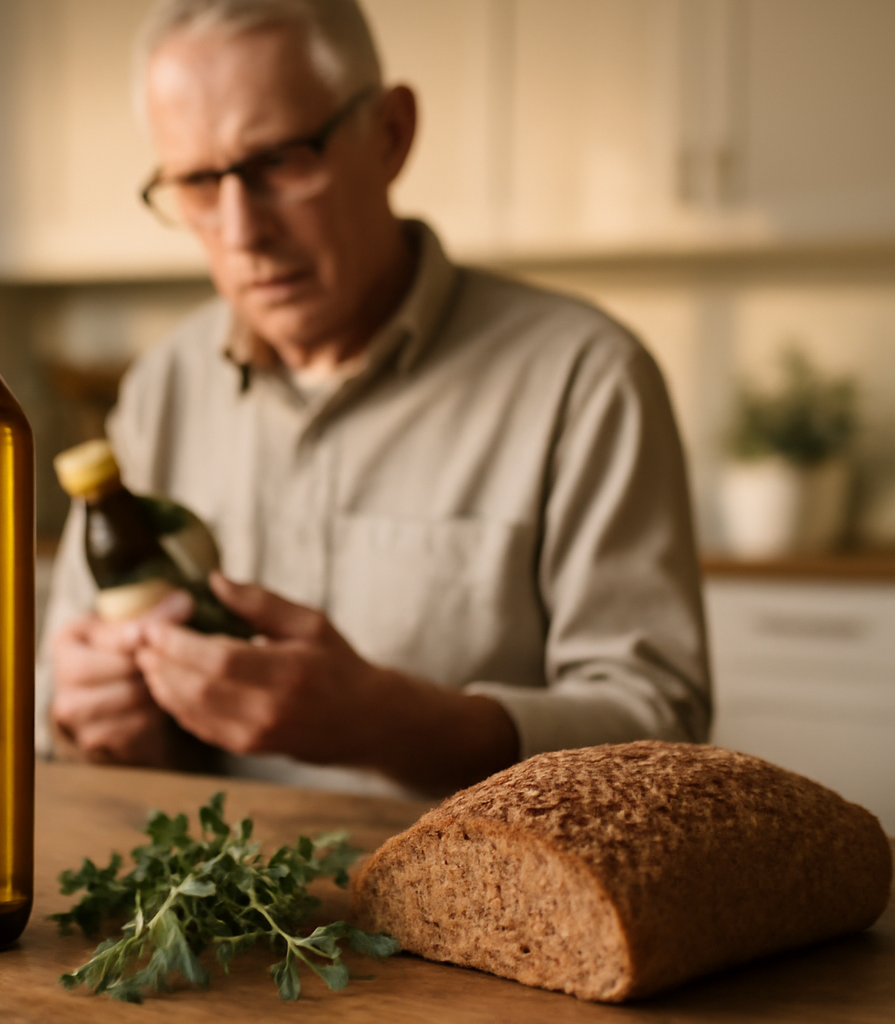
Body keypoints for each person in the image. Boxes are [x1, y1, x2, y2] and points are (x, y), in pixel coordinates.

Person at [39, 0, 711, 798]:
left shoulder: (587, 377)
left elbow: (659, 727)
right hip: (210, 899)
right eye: (194, 180)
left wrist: (387, 722)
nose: (241, 229)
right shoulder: (162, 387)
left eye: (281, 161)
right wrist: (96, 721)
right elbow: (64, 699)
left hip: (486, 909)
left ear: (390, 134)